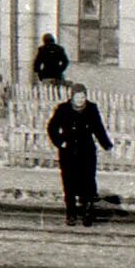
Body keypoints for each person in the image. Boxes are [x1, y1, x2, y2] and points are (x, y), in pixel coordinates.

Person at [47, 85, 116, 225]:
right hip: (69, 151)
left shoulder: (91, 109)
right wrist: (60, 142)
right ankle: (71, 213)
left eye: (83, 97)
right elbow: (52, 127)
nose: (80, 100)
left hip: (86, 150)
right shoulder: (63, 109)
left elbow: (98, 128)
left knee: (88, 181)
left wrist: (107, 145)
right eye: (77, 97)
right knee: (69, 182)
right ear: (72, 96)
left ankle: (87, 212)